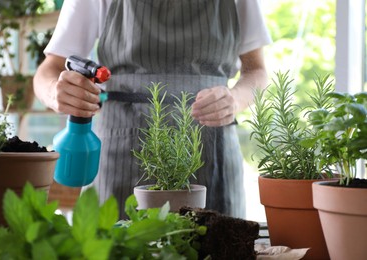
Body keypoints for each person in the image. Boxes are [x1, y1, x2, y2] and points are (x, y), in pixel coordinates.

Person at [34, 0, 271, 218]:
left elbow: (257, 71)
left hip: (212, 151)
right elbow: (48, 71)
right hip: (119, 152)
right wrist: (56, 92)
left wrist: (236, 99)